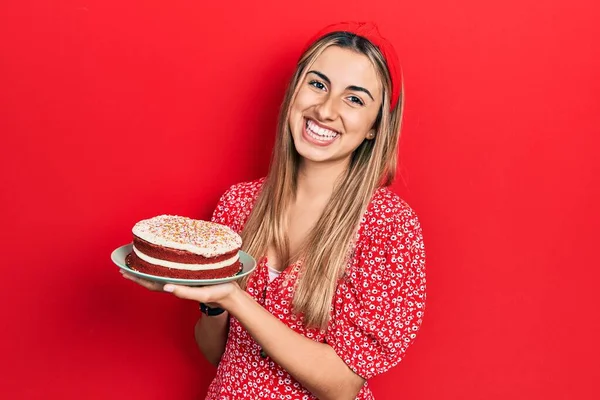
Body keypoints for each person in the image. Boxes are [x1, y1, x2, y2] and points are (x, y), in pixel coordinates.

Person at [121, 21, 427, 400]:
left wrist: (235, 298)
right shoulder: (238, 204)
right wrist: (211, 301)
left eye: (354, 98)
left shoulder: (389, 225)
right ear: (295, 91)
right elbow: (218, 353)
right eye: (317, 84)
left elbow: (343, 386)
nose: (326, 110)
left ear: (373, 128)